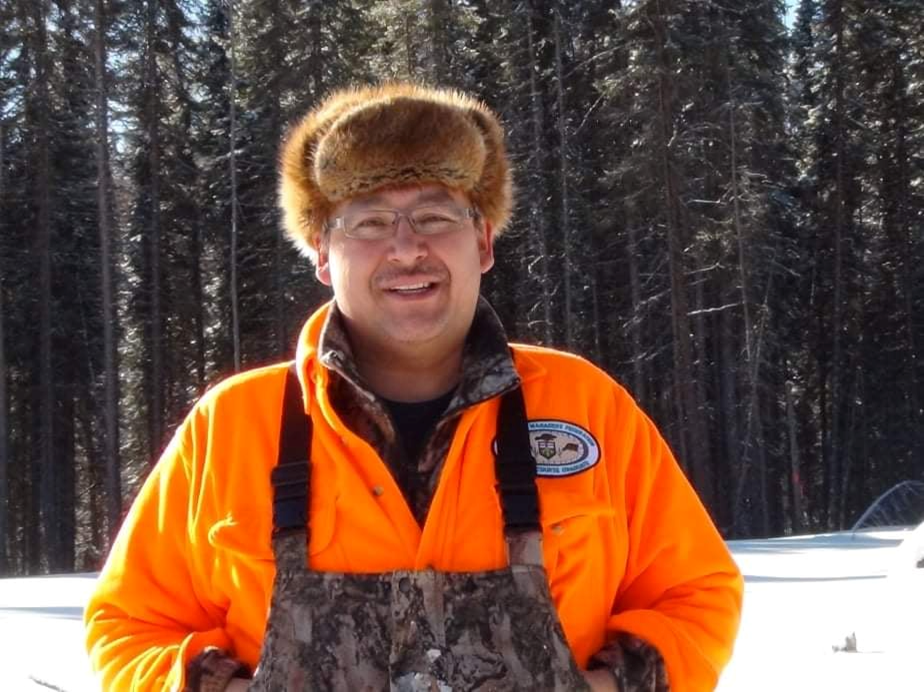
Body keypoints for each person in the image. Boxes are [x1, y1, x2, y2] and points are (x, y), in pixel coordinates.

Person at [84, 83, 742, 692]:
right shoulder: (231, 426)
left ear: (482, 240)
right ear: (321, 253)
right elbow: (128, 625)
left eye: (435, 216)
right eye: (368, 222)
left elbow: (696, 595)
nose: (405, 249)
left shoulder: (587, 408)